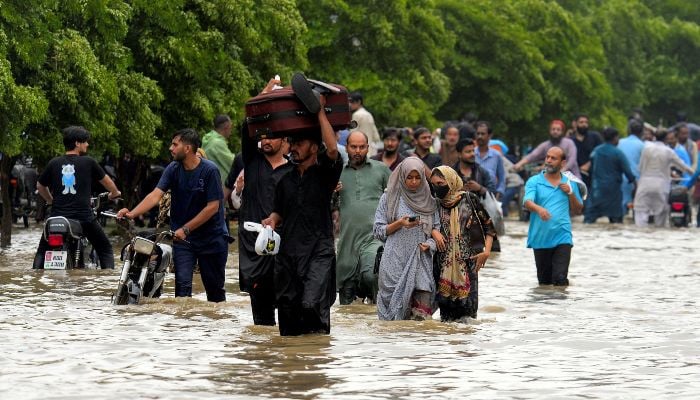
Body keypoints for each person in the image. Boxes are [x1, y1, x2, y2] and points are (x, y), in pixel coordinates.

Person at [261, 93, 343, 336]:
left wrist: (318, 112)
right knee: (287, 310)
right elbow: (279, 212)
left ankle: (316, 360)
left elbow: (331, 150)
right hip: (288, 254)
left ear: (313, 148)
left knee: (311, 305)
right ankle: (292, 365)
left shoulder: (325, 175)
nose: (293, 147)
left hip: (319, 251)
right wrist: (272, 220)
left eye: (299, 143)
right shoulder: (284, 180)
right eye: (291, 143)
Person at [117, 128, 228, 302]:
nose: (170, 148)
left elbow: (213, 207)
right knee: (182, 290)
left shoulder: (210, 170)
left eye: (175, 144)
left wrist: (186, 228)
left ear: (188, 148)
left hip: (211, 238)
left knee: (215, 293)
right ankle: (182, 325)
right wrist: (131, 213)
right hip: (183, 240)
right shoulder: (173, 168)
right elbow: (155, 195)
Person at [33, 126, 121, 269]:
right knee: (105, 249)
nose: (87, 144)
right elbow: (108, 183)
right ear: (77, 143)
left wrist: (51, 201)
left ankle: (36, 280)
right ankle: (107, 282)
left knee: (41, 252)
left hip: (56, 218)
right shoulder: (89, 162)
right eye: (85, 141)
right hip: (84, 218)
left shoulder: (54, 163)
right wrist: (115, 193)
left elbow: (40, 186)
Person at [373, 157, 440, 320]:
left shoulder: (430, 202)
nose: (414, 182)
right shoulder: (389, 198)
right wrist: (399, 223)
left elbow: (436, 230)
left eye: (418, 177)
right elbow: (378, 231)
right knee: (393, 323)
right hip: (394, 262)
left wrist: (429, 244)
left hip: (420, 260)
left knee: (421, 320)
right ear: (402, 176)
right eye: (410, 177)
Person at [430, 166, 496, 321]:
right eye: (433, 184)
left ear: (451, 181)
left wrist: (487, 252)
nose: (436, 188)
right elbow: (427, 225)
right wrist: (434, 232)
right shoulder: (434, 204)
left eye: (440, 184)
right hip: (442, 265)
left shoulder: (469, 199)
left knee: (468, 317)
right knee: (446, 319)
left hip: (468, 263)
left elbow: (489, 227)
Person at [336, 131, 391, 304]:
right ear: (347, 148)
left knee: (371, 275)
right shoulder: (337, 172)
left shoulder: (381, 169)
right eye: (353, 147)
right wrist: (331, 192)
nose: (357, 151)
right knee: (346, 297)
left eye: (362, 147)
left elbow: (395, 199)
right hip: (347, 241)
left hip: (374, 237)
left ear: (368, 148)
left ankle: (379, 321)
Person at [523, 147, 583, 286]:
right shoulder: (534, 181)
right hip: (540, 238)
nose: (549, 161)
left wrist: (571, 193)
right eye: (547, 157)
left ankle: (562, 307)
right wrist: (538, 209)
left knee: (560, 280)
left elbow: (578, 210)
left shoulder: (569, 182)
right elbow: (527, 202)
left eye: (553, 158)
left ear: (562, 163)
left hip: (563, 237)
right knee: (544, 284)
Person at [634, 129, 694, 227]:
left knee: (641, 213)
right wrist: (695, 176)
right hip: (661, 186)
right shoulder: (669, 151)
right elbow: (683, 166)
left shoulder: (646, 149)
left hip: (644, 185)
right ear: (666, 139)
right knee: (660, 217)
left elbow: (640, 167)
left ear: (654, 137)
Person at [584, 127, 636, 224]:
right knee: (616, 222)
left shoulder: (596, 151)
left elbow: (590, 168)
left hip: (597, 191)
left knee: (589, 220)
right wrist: (635, 183)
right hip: (613, 194)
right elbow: (628, 172)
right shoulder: (618, 153)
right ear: (615, 138)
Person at [514, 120, 581, 178]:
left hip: (572, 179)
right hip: (552, 180)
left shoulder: (569, 143)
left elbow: (572, 160)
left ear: (562, 132)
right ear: (550, 131)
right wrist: (519, 164)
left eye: (558, 130)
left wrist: (562, 170)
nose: (555, 131)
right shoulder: (545, 145)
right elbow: (533, 155)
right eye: (553, 129)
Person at [617, 119, 646, 215]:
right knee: (637, 210)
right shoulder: (643, 145)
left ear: (628, 130)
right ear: (642, 132)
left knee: (622, 207)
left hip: (620, 178)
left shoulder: (619, 142)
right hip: (637, 180)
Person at [474, 121, 506, 199]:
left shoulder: (496, 155)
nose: (480, 136)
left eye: (483, 134)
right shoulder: (471, 154)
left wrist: (499, 192)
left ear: (489, 135)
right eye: (478, 134)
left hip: (491, 196)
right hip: (473, 196)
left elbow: (502, 177)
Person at [571, 113, 602, 187]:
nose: (584, 124)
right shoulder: (570, 140)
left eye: (586, 122)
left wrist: (589, 164)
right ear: (575, 124)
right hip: (576, 177)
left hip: (594, 176)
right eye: (581, 122)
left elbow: (601, 152)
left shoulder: (595, 137)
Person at [202, 114, 235, 185]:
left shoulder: (208, 139)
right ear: (226, 127)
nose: (231, 131)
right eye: (230, 128)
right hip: (218, 187)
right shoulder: (217, 143)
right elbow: (233, 163)